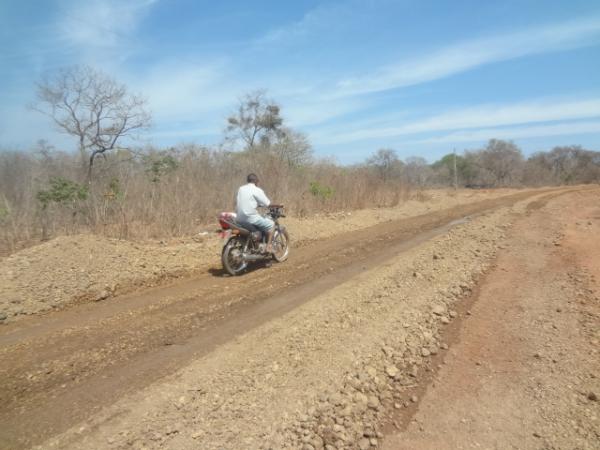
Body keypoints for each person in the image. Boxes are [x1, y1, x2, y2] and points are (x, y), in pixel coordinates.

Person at [236, 173, 275, 253]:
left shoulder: (241, 189)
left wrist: (256, 204)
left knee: (258, 223)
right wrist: (279, 205)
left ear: (248, 181)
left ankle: (255, 244)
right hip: (250, 218)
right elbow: (267, 203)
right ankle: (268, 247)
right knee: (272, 225)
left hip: (239, 218)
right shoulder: (257, 190)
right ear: (256, 181)